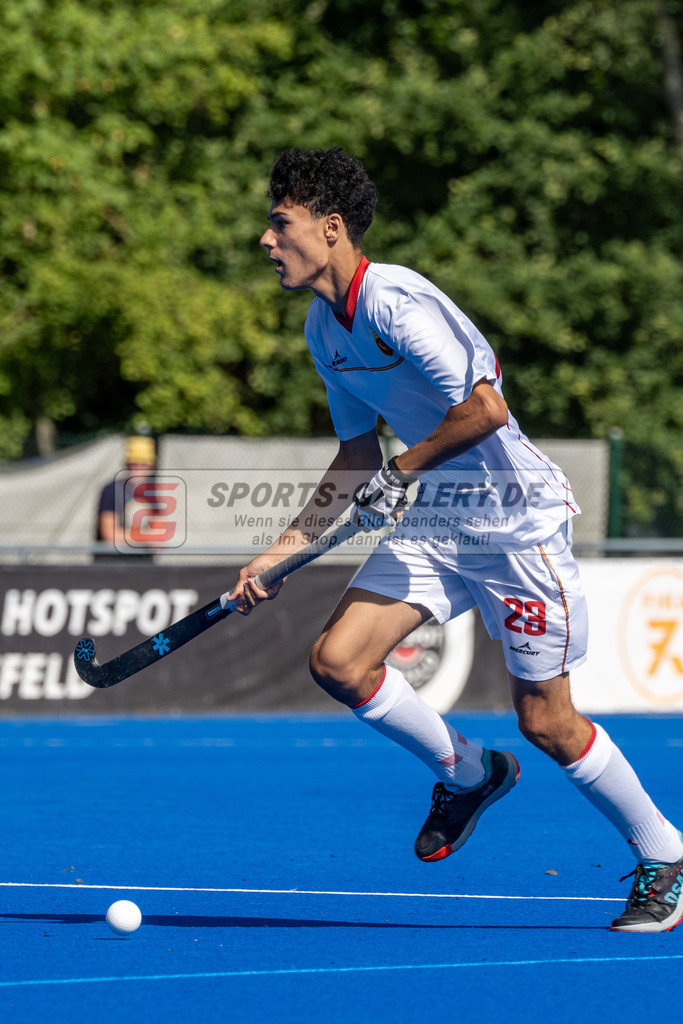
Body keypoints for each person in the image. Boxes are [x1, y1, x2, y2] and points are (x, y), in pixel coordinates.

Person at [224, 146, 683, 933]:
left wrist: (402, 472)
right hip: (438, 523)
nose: (266, 241)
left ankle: (663, 853)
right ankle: (469, 773)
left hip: (516, 527)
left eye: (280, 224)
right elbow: (354, 455)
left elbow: (484, 410)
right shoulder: (320, 331)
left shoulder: (398, 303)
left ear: (330, 228)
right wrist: (277, 551)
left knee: (546, 722)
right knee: (337, 660)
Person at [96, 435, 157, 558]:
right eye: (134, 464)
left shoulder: (152, 493)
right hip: (113, 563)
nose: (138, 469)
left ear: (152, 467)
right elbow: (110, 536)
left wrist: (128, 537)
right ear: (127, 464)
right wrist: (147, 537)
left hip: (142, 562)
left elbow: (159, 536)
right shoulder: (112, 490)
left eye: (143, 465)